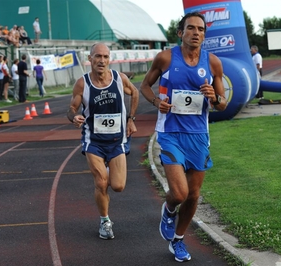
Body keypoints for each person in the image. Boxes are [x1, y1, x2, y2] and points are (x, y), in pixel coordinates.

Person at [140, 12, 227, 262]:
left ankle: (178, 239)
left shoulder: (213, 64)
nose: (196, 33)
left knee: (194, 194)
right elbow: (144, 86)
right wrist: (157, 101)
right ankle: (168, 210)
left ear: (204, 35)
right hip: (170, 133)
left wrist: (214, 96)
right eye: (191, 28)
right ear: (181, 33)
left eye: (200, 29)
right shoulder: (166, 57)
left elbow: (222, 104)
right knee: (179, 193)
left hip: (199, 135)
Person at [67, 43, 139, 240]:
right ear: (89, 59)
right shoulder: (82, 84)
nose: (102, 60)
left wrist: (131, 119)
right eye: (98, 56)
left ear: (110, 59)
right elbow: (72, 108)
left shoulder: (119, 79)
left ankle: (109, 172)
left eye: (106, 57)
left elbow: (136, 93)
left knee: (118, 186)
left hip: (117, 141)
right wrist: (73, 117)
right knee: (101, 183)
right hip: (94, 141)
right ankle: (104, 222)